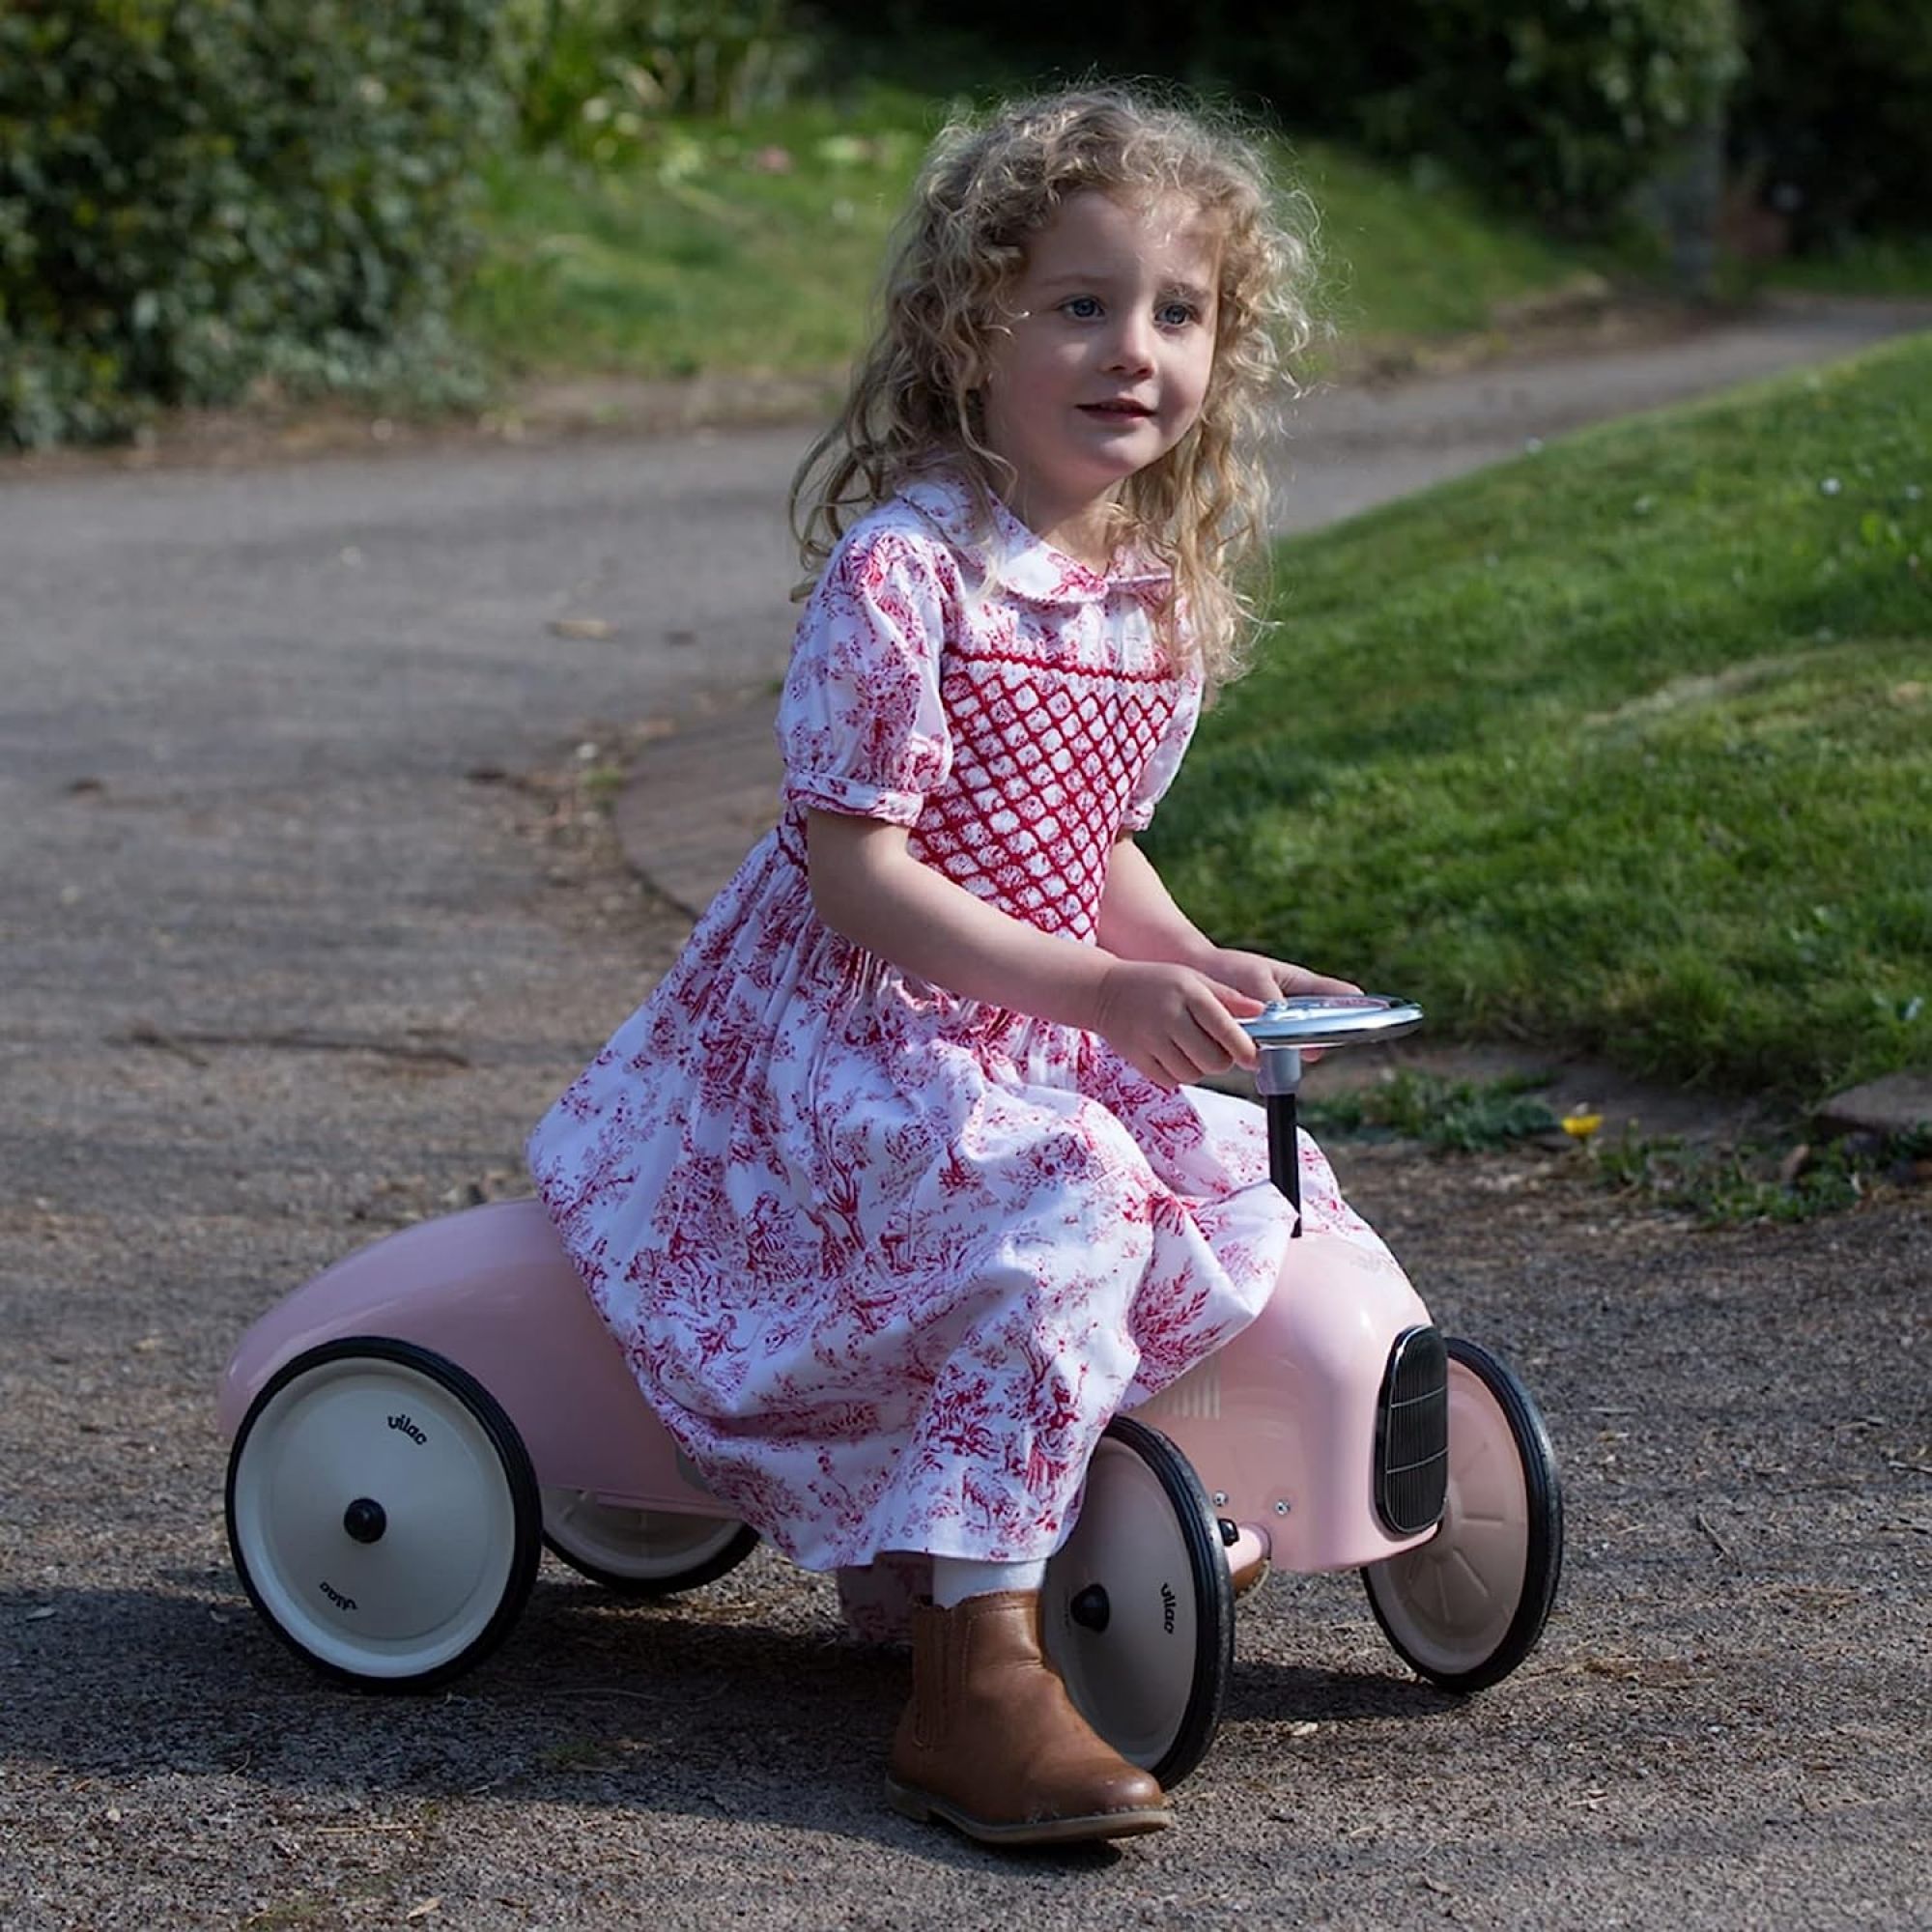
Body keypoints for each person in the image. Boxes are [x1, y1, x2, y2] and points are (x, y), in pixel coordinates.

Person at [527, 85, 1398, 1846]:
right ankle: (972, 1667)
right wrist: (1092, 993)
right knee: (1064, 1192)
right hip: (849, 1036)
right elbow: (858, 875)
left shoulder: (1144, 591)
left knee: (1236, 1172)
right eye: (1079, 302)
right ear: (969, 322)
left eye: (1178, 311)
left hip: (1025, 1016)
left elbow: (1090, 849)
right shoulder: (906, 573)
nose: (1131, 349)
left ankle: (1084, 1494)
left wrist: (1180, 957)